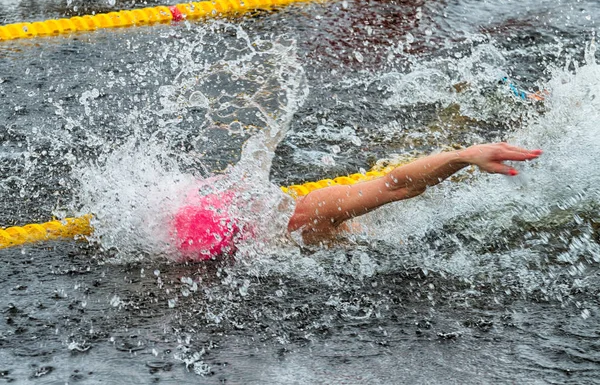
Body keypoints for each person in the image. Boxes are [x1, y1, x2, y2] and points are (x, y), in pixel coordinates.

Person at [174, 142, 542, 260]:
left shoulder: (303, 215)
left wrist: (463, 157)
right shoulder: (287, 229)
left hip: (413, 230)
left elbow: (397, 186)